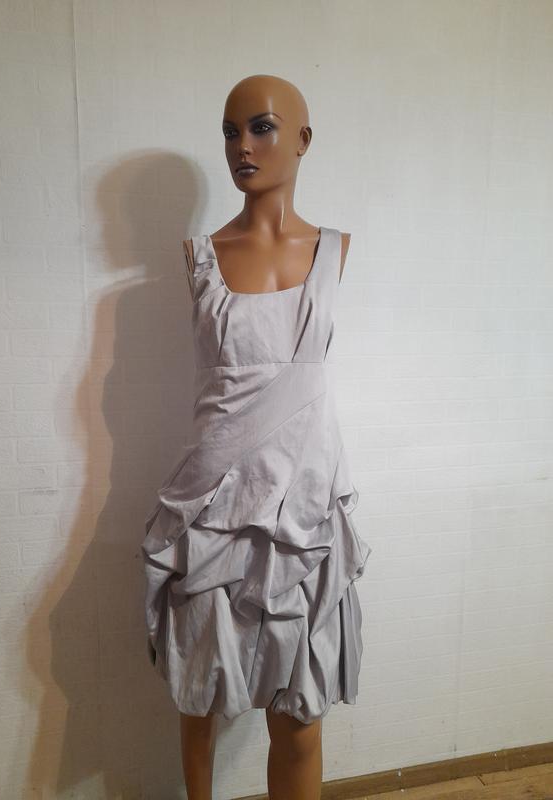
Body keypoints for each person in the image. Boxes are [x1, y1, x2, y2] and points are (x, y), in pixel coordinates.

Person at [142, 73, 371, 800]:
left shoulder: (334, 250)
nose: (242, 145)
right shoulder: (201, 257)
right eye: (230, 131)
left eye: (262, 127)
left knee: (298, 718)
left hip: (301, 511)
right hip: (213, 509)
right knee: (200, 698)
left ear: (302, 140)